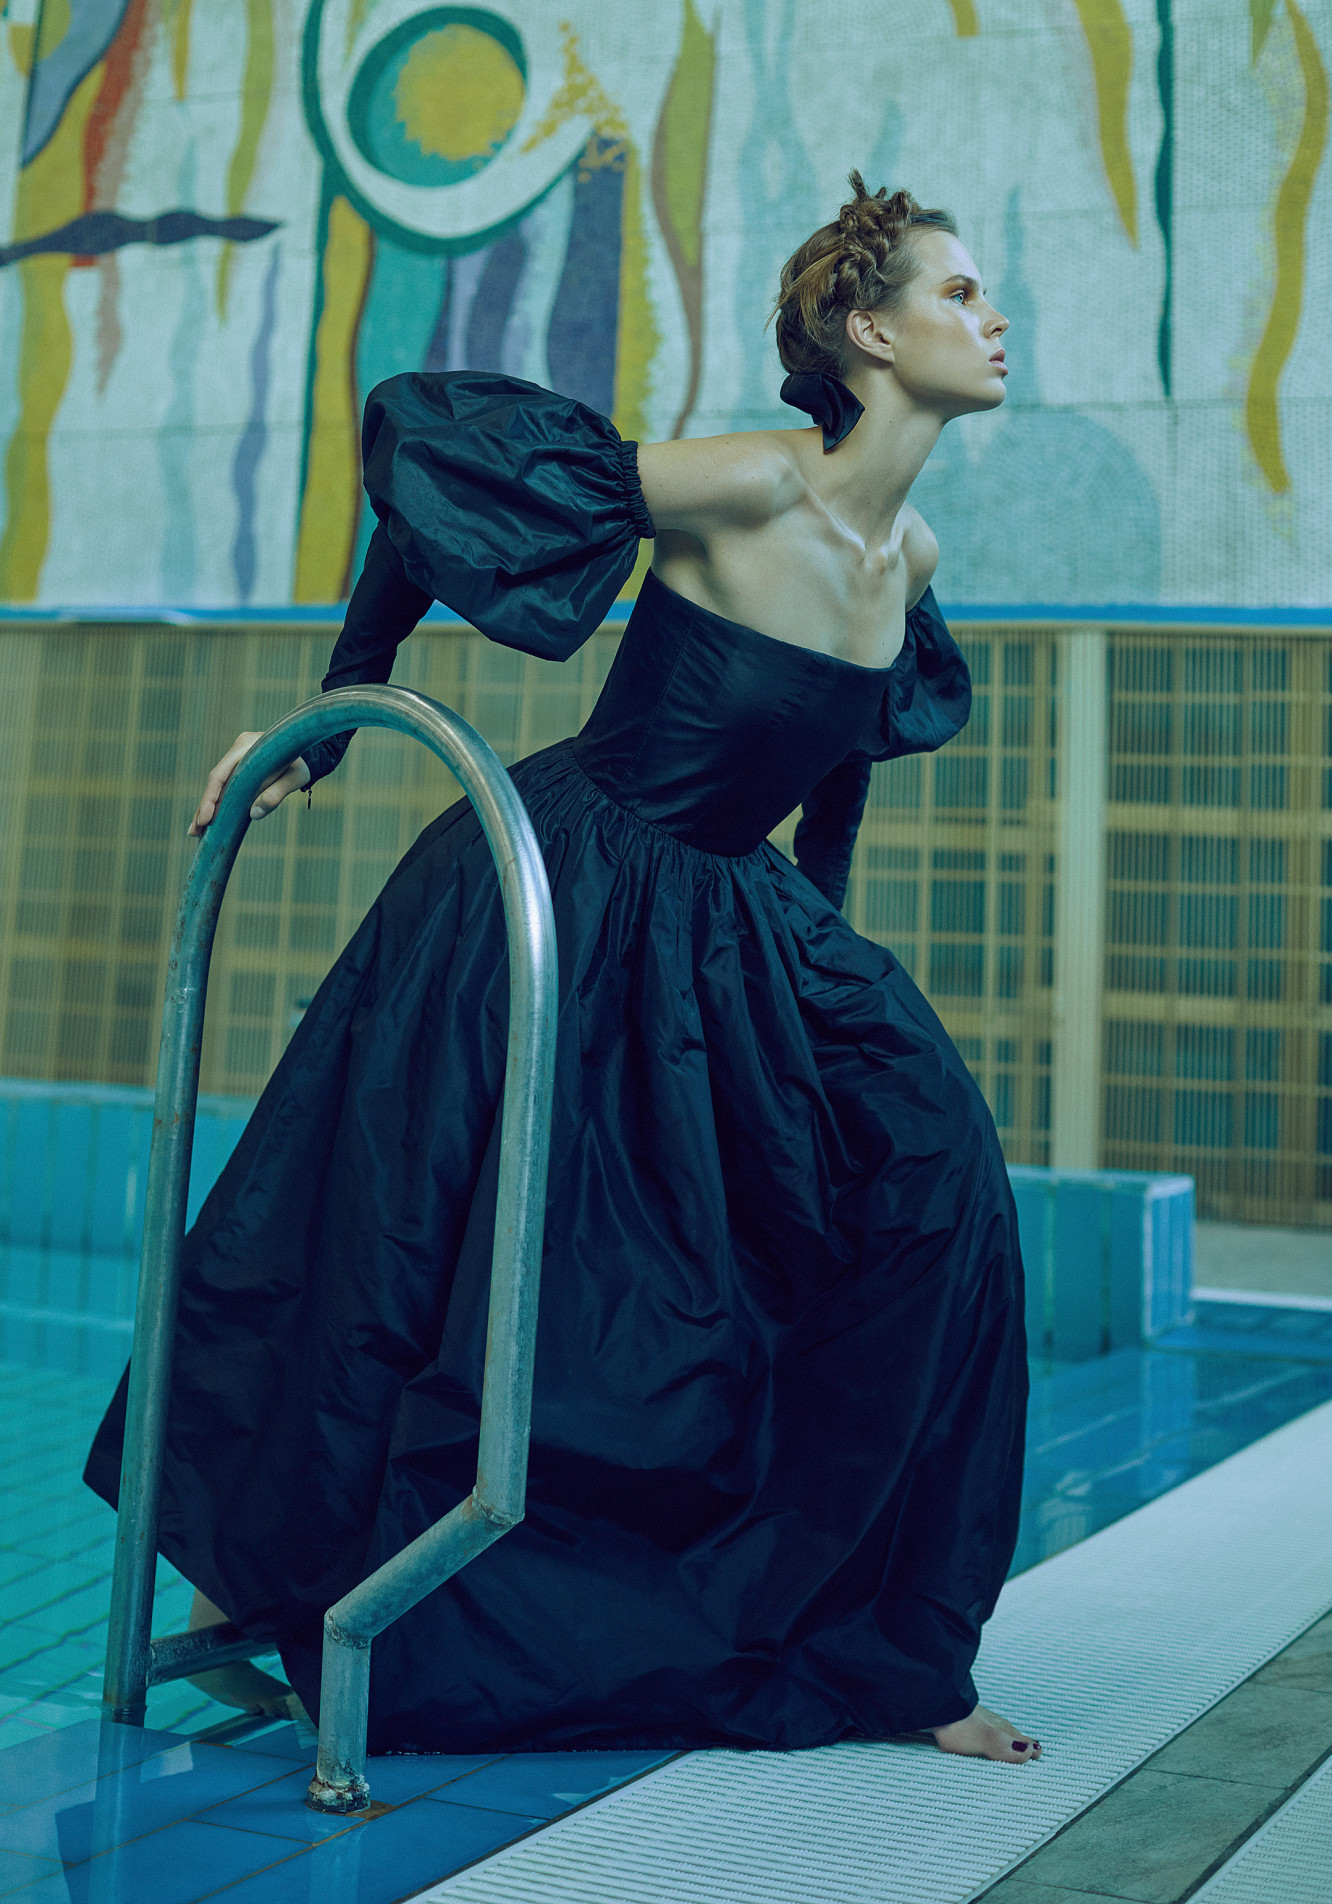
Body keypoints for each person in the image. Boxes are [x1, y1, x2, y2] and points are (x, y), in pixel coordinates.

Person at [87, 173, 1038, 1763]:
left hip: (735, 914)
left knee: (938, 1185)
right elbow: (452, 482)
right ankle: (280, 1576)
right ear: (867, 333)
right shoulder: (753, 484)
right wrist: (336, 711)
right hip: (563, 883)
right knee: (427, 1244)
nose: (992, 318)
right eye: (958, 292)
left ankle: (893, 1645)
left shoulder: (910, 555)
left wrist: (817, 967)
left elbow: (839, 768)